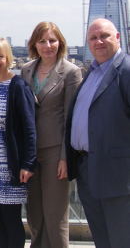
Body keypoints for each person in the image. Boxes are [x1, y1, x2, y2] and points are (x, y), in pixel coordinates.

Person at [66, 18, 130, 247]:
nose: (98, 41)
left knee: (122, 240)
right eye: (93, 38)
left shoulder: (126, 70)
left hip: (118, 177)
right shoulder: (91, 73)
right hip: (88, 170)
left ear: (118, 37)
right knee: (102, 239)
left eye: (104, 36)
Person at [21, 22, 82, 248]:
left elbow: (71, 118)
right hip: (30, 153)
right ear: (34, 44)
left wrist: (67, 157)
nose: (48, 46)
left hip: (56, 152)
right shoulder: (27, 69)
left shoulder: (71, 72)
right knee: (34, 214)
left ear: (61, 43)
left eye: (52, 40)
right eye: (42, 41)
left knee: (55, 215)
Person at [0, 37, 36, 248]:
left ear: (8, 58)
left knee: (11, 218)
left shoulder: (18, 86)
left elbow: (29, 128)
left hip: (8, 163)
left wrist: (28, 164)